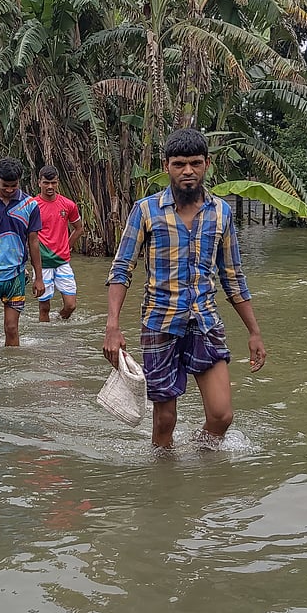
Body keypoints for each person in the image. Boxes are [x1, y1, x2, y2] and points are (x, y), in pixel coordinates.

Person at [103, 128, 267, 450]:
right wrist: (112, 325)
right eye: (179, 164)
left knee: (221, 416)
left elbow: (233, 277)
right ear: (167, 166)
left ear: (207, 163)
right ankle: (166, 482)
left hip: (205, 321)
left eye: (195, 163)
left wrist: (254, 332)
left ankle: (198, 458)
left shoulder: (222, 213)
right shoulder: (146, 211)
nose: (188, 171)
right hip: (160, 323)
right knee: (165, 421)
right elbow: (122, 269)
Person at [0, 157, 44, 346]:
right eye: (5, 185)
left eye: (14, 185)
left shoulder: (30, 205)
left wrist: (39, 277)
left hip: (16, 276)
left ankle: (14, 368)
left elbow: (34, 241)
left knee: (11, 328)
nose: (10, 190)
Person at [33, 165, 84, 322]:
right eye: (46, 183)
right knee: (44, 308)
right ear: (39, 182)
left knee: (71, 306)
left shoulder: (68, 205)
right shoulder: (32, 205)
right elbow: (27, 235)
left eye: (53, 183)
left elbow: (79, 228)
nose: (50, 187)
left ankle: (58, 321)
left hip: (62, 261)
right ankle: (45, 340)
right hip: (42, 263)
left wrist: (67, 246)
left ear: (58, 183)